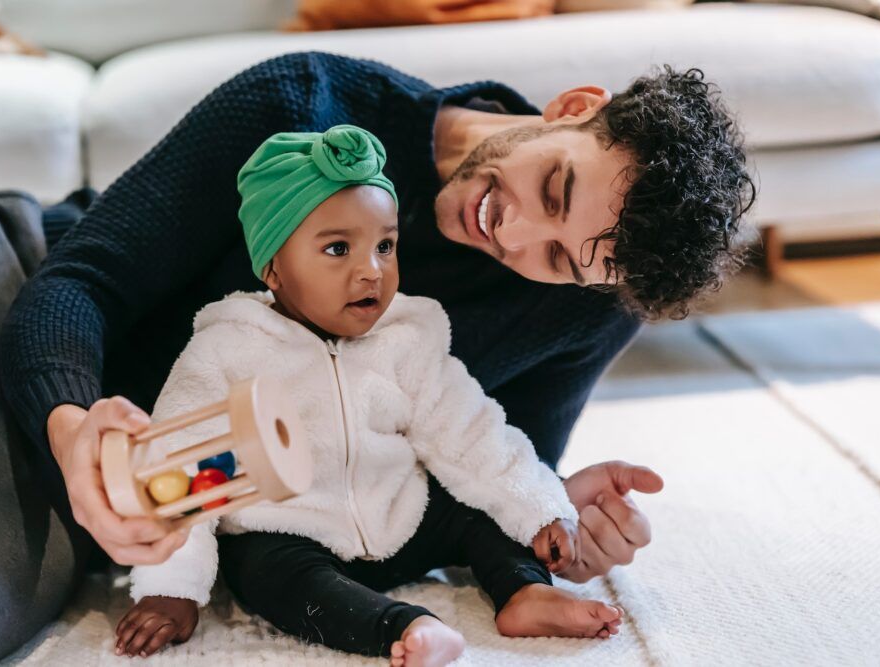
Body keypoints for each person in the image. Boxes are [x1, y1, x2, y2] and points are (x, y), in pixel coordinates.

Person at [0, 51, 751, 664]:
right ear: (573, 107)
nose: (516, 232)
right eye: (553, 188)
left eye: (561, 256)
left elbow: (463, 468)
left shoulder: (582, 310)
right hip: (13, 283)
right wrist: (74, 427)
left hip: (93, 506)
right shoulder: (305, 106)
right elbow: (83, 282)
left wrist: (557, 515)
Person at [114, 125, 624, 664]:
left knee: (475, 508)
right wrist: (169, 588)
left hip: (399, 515)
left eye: (385, 245)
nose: (371, 271)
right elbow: (183, 464)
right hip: (291, 532)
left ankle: (523, 591)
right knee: (268, 575)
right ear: (274, 268)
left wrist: (542, 506)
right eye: (338, 249)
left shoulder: (409, 336)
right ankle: (400, 629)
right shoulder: (226, 348)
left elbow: (469, 429)